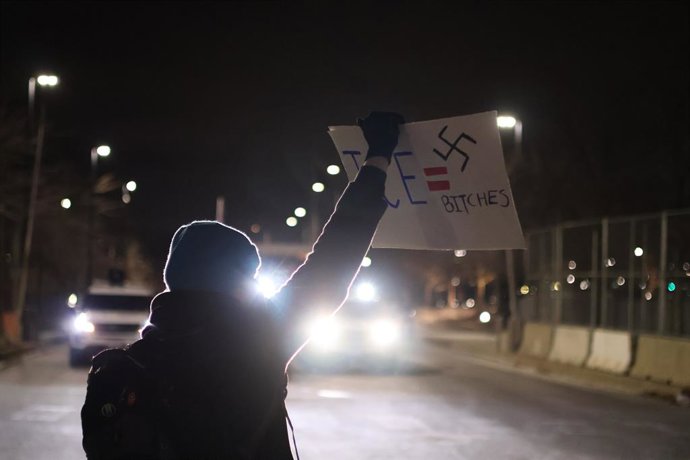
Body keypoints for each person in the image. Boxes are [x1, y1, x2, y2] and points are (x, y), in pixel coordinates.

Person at [81, 111, 405, 459]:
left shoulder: (133, 365)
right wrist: (377, 159)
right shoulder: (261, 338)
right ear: (234, 281)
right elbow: (333, 259)